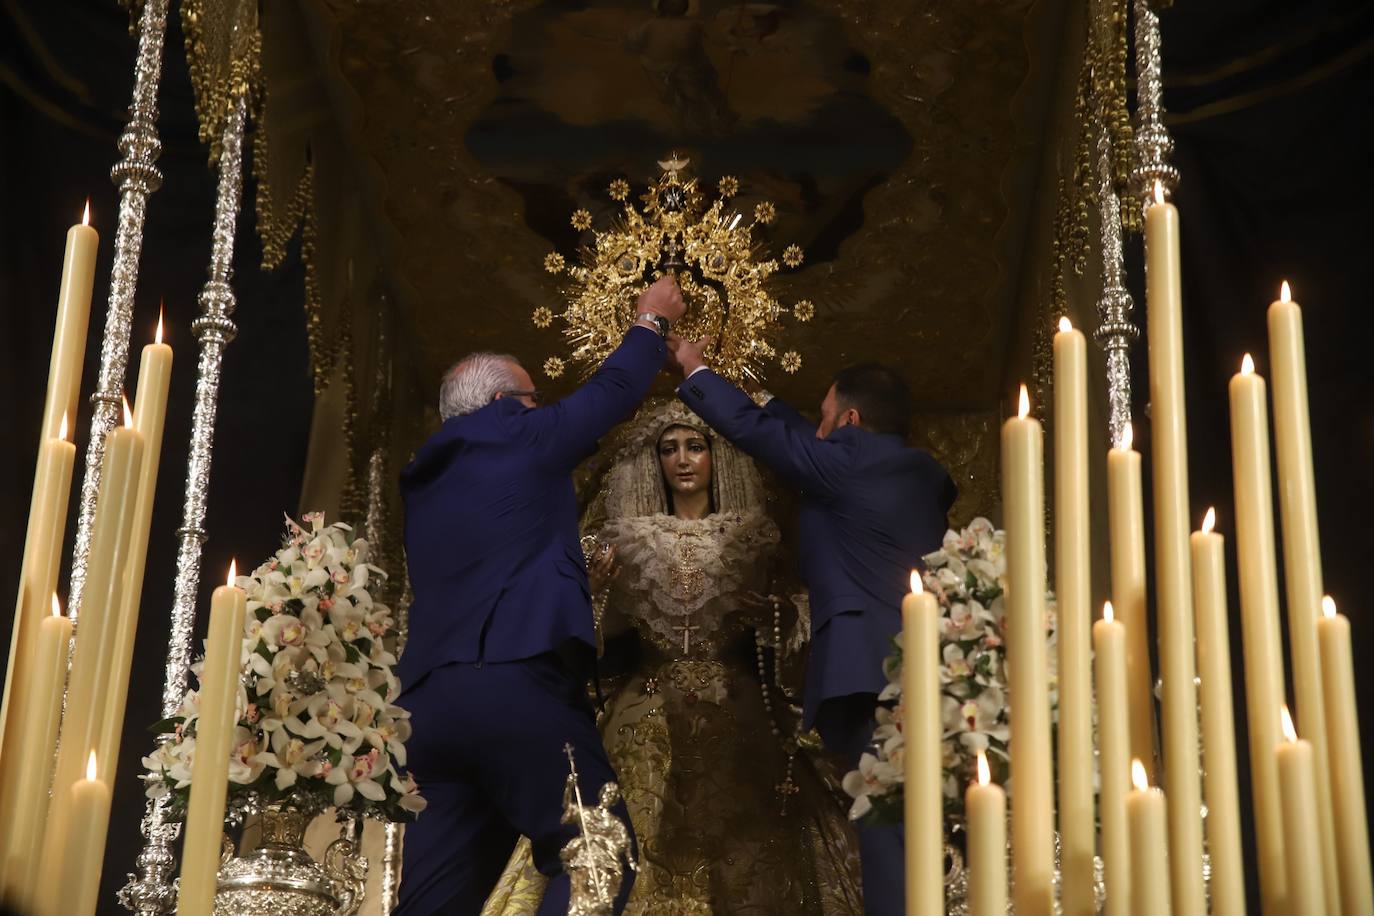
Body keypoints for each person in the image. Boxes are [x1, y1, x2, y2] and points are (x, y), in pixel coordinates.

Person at [482, 399, 863, 914]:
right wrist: (591, 595)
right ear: (655, 461)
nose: (683, 460)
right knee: (621, 844)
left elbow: (795, 613)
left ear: (716, 456)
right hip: (644, 714)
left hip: (738, 710)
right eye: (669, 450)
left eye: (695, 447)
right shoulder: (624, 540)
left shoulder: (753, 536)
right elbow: (589, 643)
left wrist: (777, 617)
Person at [394, 276, 686, 915]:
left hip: (428, 713)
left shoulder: (425, 474)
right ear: (505, 400)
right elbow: (609, 394)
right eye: (535, 400)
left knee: (434, 899)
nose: (541, 410)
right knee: (598, 852)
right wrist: (651, 322)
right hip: (514, 687)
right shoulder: (511, 432)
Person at [667, 345, 956, 915]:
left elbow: (770, 439)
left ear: (849, 422)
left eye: (824, 417)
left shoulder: (848, 463)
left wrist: (696, 370)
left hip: (874, 678)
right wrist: (762, 390)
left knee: (887, 831)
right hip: (929, 675)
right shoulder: (909, 473)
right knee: (910, 828)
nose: (815, 430)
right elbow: (801, 439)